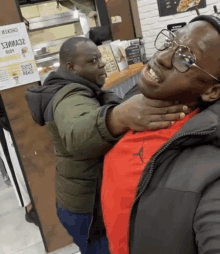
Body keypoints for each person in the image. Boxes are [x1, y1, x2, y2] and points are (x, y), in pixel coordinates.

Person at [25, 37, 188, 253]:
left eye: (100, 58)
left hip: (81, 203)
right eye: (92, 61)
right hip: (87, 212)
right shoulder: (68, 96)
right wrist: (117, 117)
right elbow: (78, 132)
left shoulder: (85, 87)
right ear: (71, 68)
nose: (101, 64)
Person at [101, 15, 220, 254]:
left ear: (212, 91)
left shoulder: (208, 166)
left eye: (186, 59)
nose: (161, 58)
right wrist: (115, 117)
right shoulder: (139, 103)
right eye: (169, 43)